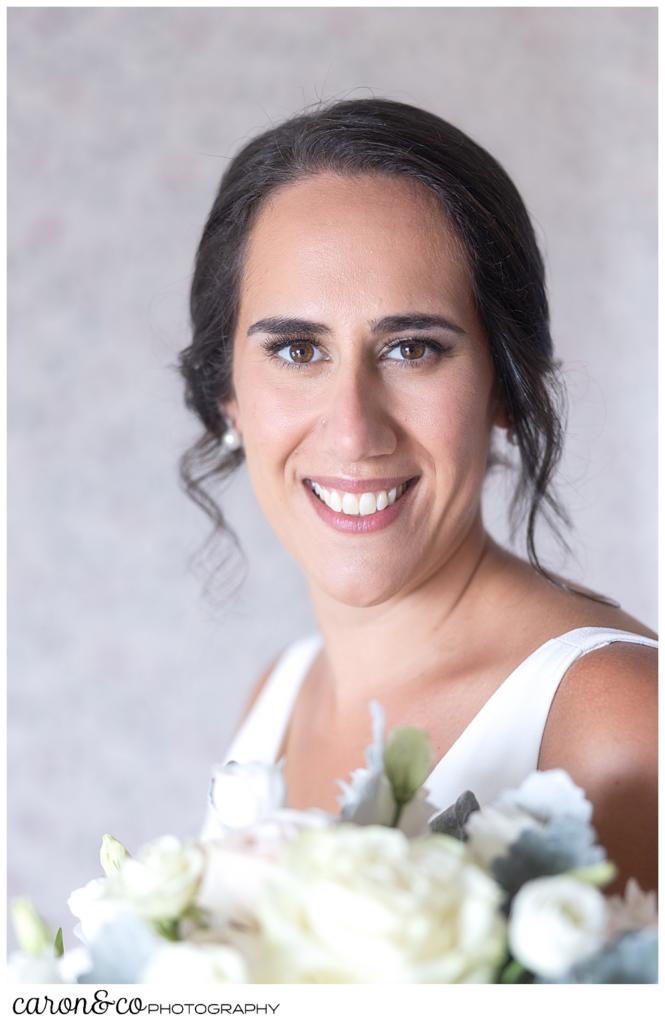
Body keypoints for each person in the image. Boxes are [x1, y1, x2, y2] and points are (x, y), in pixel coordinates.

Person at [178, 98, 657, 894]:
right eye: (297, 349)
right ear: (227, 394)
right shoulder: (280, 693)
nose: (354, 430)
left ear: (506, 386)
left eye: (410, 348)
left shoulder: (619, 725)